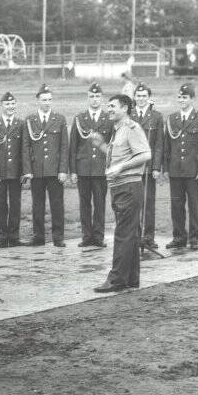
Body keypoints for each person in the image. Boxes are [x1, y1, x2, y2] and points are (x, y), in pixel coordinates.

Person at [89, 95, 151, 292]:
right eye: (108, 106)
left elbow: (145, 154)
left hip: (129, 187)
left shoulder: (132, 128)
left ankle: (116, 280)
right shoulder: (119, 130)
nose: (109, 109)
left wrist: (122, 167)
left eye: (113, 106)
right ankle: (131, 279)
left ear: (125, 108)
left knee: (123, 233)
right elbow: (117, 158)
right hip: (121, 188)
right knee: (129, 233)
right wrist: (100, 145)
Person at [163, 83, 198, 250]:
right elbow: (166, 146)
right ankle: (179, 237)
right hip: (175, 170)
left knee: (194, 205)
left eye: (185, 97)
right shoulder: (172, 119)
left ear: (192, 99)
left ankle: (195, 238)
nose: (181, 100)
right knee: (176, 205)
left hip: (193, 171)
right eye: (179, 97)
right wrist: (166, 168)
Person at [21, 84, 69, 247]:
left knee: (57, 204)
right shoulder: (30, 120)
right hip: (36, 170)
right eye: (44, 100)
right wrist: (27, 170)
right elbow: (25, 146)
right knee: (37, 205)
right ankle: (38, 236)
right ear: (38, 101)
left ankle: (58, 237)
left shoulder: (60, 119)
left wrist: (63, 170)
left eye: (49, 100)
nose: (47, 103)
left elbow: (64, 146)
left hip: (55, 170)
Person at [69, 83, 113, 247]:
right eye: (92, 96)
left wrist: (111, 167)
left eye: (97, 96)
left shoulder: (108, 119)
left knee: (100, 204)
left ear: (101, 98)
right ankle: (86, 236)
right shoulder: (80, 119)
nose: (95, 100)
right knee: (84, 204)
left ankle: (99, 236)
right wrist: (73, 170)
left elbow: (112, 145)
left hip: (101, 169)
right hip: (83, 168)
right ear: (88, 98)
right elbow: (73, 145)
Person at [131, 83, 164, 249]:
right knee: (133, 203)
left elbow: (159, 144)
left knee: (148, 203)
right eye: (138, 95)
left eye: (144, 96)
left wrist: (157, 167)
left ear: (148, 97)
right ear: (134, 97)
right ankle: (135, 236)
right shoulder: (128, 115)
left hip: (149, 167)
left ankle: (148, 237)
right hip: (132, 168)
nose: (141, 99)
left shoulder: (156, 116)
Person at [0, 92, 23, 248]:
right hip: (0, 172)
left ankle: (14, 237)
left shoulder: (20, 124)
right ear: (2, 106)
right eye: (7, 104)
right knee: (0, 205)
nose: (11, 107)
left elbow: (24, 149)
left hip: (16, 171)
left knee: (15, 205)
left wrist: (24, 171)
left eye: (13, 104)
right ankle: (2, 237)